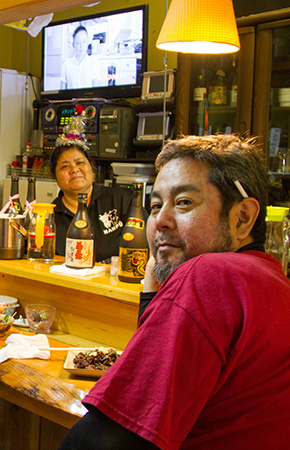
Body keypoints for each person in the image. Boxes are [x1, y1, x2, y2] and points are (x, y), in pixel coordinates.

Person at [58, 134, 290, 449]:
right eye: (155, 205)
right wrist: (153, 287)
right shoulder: (272, 281)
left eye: (183, 202)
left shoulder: (211, 276)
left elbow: (99, 444)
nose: (161, 221)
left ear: (243, 218)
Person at [51, 108, 134, 262]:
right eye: (64, 166)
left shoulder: (122, 201)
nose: (74, 170)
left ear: (92, 168)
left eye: (80, 163)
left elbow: (146, 243)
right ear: (54, 177)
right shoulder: (50, 217)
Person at [59, 25, 98, 89]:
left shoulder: (94, 62)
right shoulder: (66, 64)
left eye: (84, 41)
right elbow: (62, 91)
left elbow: (97, 91)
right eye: (78, 43)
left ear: (88, 42)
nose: (81, 46)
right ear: (73, 44)